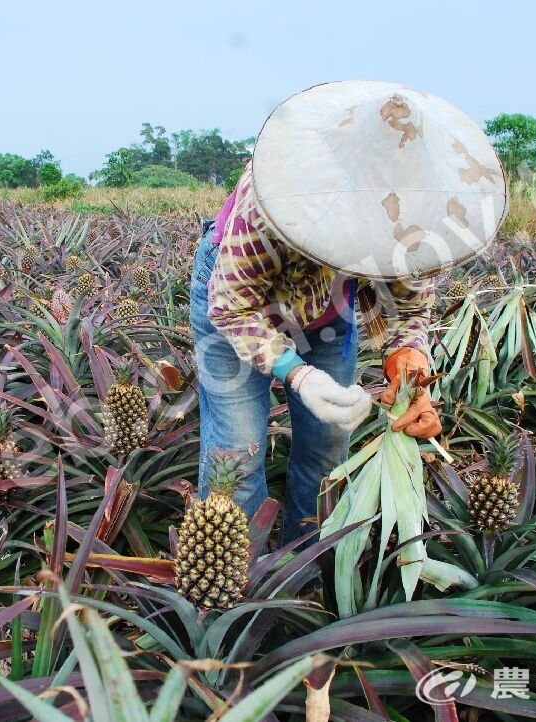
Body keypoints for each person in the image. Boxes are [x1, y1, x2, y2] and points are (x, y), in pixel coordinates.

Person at [189, 81, 507, 547]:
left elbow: (410, 308)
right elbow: (233, 306)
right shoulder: (270, 200)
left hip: (329, 314)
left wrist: (412, 371)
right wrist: (296, 374)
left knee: (328, 444)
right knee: (237, 448)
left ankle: (304, 566)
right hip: (241, 303)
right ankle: (238, 575)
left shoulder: (415, 211)